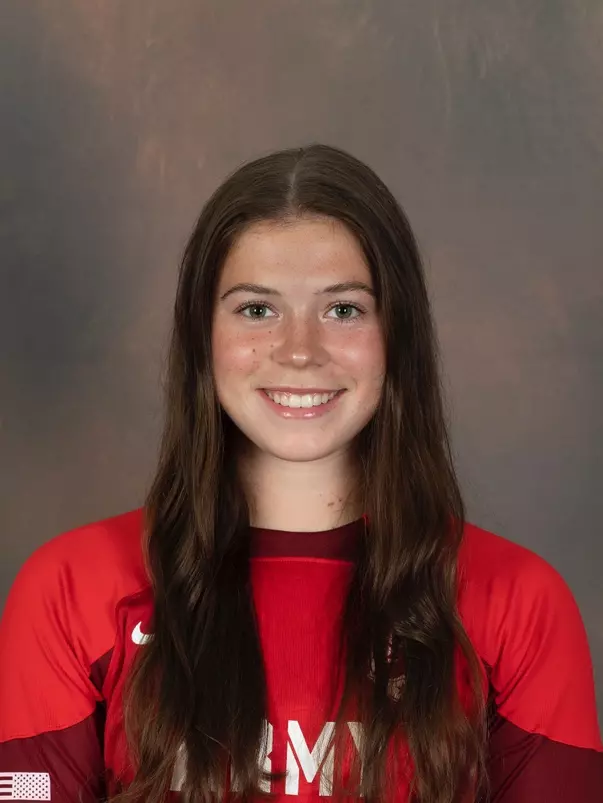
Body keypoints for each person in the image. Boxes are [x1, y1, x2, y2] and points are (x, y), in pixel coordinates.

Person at [0, 145, 601, 803]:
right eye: (256, 309)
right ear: (203, 337)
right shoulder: (69, 591)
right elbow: (26, 790)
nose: (298, 350)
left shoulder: (518, 604)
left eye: (342, 309)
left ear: (394, 336)